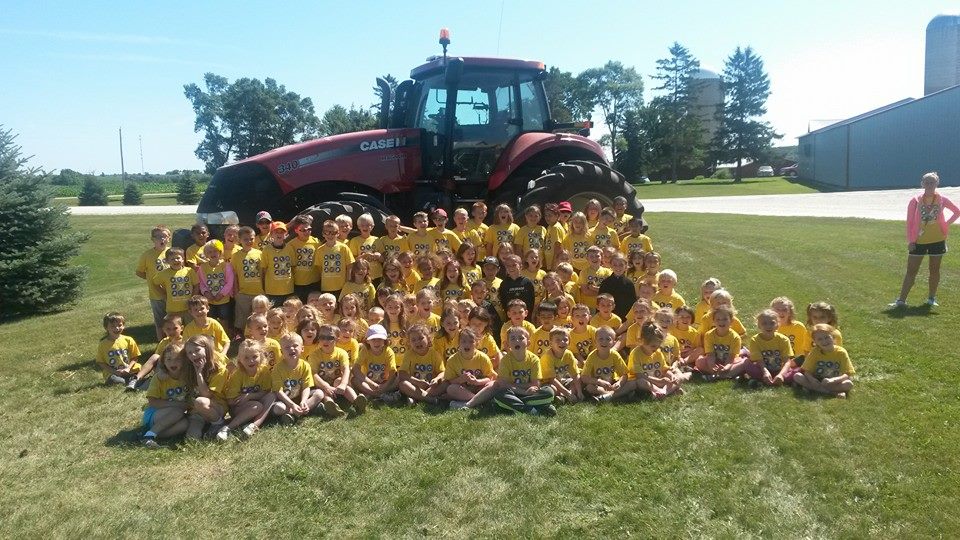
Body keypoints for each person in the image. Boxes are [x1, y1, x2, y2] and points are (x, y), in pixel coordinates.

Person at [890, 172, 959, 307]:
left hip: (937, 239)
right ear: (922, 184)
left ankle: (931, 299)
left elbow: (957, 211)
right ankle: (901, 301)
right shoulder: (915, 201)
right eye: (926, 182)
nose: (929, 185)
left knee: (934, 270)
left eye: (932, 182)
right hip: (918, 241)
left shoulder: (942, 199)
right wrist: (911, 241)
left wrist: (945, 224)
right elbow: (910, 222)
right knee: (911, 271)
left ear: (937, 183)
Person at [463, 326, 556, 415]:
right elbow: (503, 385)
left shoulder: (534, 359)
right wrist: (523, 392)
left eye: (521, 338)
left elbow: (535, 384)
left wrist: (525, 390)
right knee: (500, 395)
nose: (517, 341)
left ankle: (515, 406)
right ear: (507, 344)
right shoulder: (505, 360)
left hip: (530, 393)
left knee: (549, 391)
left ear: (528, 343)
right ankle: (534, 408)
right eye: (513, 338)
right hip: (512, 393)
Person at [221, 339, 276, 439]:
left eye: (255, 357)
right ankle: (227, 428)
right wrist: (244, 400)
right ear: (239, 359)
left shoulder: (264, 370)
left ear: (261, 356)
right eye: (246, 358)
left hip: (255, 400)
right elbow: (230, 401)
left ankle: (254, 425)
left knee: (272, 396)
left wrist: (250, 396)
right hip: (238, 408)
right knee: (257, 406)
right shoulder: (237, 374)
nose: (251, 361)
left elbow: (266, 391)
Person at [310, 324, 367, 414]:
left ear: (337, 339)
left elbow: (346, 369)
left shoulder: (341, 353)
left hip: (338, 385)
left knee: (339, 381)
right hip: (322, 383)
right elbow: (313, 374)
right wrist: (326, 386)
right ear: (318, 338)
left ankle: (357, 402)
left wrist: (343, 384)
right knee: (322, 391)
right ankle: (331, 406)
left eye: (330, 338)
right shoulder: (314, 355)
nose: (326, 340)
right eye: (322, 337)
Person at [141, 345, 190, 448]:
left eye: (177, 359)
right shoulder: (159, 378)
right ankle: (149, 436)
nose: (173, 363)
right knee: (177, 412)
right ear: (163, 361)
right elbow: (152, 402)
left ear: (184, 360)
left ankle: (148, 435)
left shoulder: (187, 376)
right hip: (154, 414)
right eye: (169, 359)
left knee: (186, 424)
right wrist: (179, 405)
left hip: (175, 415)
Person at [270, 333, 322, 424]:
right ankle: (304, 410)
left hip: (299, 398)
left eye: (295, 345)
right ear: (281, 351)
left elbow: (306, 386)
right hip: (284, 401)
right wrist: (292, 405)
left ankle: (294, 413)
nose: (291, 349)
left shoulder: (305, 365)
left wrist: (304, 401)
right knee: (278, 408)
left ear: (302, 349)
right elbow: (278, 391)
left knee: (319, 393)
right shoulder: (277, 368)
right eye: (287, 347)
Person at [793, 324, 854, 398]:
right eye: (819, 339)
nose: (824, 341)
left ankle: (812, 388)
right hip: (817, 380)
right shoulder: (815, 351)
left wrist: (833, 380)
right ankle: (833, 393)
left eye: (827, 337)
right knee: (797, 376)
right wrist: (812, 380)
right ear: (815, 342)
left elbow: (847, 373)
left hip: (833, 381)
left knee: (848, 384)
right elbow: (806, 371)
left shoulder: (841, 352)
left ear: (833, 337)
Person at [135, 225, 170, 340]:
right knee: (160, 320)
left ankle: (175, 341)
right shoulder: (147, 255)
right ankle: (161, 342)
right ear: (152, 239)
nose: (162, 239)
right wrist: (151, 279)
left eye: (165, 236)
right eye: (158, 237)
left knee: (173, 318)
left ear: (169, 238)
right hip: (156, 294)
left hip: (172, 292)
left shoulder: (172, 252)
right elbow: (139, 272)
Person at [398, 324, 447, 405]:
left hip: (431, 386)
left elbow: (443, 372)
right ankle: (429, 399)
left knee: (446, 383)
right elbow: (402, 374)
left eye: (421, 338)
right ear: (409, 342)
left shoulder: (434, 354)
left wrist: (436, 379)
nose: (417, 342)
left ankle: (416, 397)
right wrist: (417, 382)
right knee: (403, 384)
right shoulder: (409, 354)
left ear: (428, 338)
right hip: (416, 385)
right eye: (413, 340)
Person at [231, 226, 265, 339]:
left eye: (251, 238)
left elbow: (263, 272)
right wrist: (236, 291)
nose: (249, 241)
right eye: (245, 239)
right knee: (242, 315)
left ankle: (258, 335)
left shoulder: (259, 253)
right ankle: (240, 335)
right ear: (239, 240)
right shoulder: (235, 256)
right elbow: (235, 275)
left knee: (259, 315)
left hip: (258, 292)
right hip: (243, 292)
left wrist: (264, 289)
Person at [352, 324, 400, 403]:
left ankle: (370, 394)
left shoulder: (388, 351)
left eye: (379, 339)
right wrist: (372, 383)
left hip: (385, 382)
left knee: (399, 377)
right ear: (367, 341)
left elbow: (393, 371)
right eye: (373, 339)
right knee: (354, 380)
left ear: (384, 341)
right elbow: (355, 369)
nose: (376, 342)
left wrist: (385, 386)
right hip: (369, 382)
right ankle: (378, 395)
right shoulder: (365, 350)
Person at [96, 311, 142, 388]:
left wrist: (128, 368)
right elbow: (101, 362)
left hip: (129, 370)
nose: (117, 328)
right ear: (106, 328)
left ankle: (132, 380)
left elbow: (135, 357)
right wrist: (114, 372)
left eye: (120, 325)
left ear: (123, 326)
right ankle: (129, 382)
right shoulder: (103, 344)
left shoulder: (128, 340)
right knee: (115, 380)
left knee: (141, 371)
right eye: (113, 326)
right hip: (113, 373)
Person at [581, 326, 627, 401]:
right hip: (598, 385)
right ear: (595, 342)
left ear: (613, 342)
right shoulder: (592, 356)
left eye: (608, 339)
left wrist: (619, 383)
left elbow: (624, 375)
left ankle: (607, 396)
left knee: (631, 383)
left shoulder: (614, 354)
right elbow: (584, 378)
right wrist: (599, 382)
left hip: (612, 384)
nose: (604, 342)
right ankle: (612, 395)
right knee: (589, 387)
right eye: (600, 339)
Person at [197, 240, 235, 331]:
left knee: (224, 318)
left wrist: (221, 294)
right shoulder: (203, 267)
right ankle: (212, 335)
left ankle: (224, 335)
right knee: (211, 318)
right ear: (206, 254)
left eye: (215, 251)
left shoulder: (226, 266)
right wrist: (206, 293)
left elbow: (230, 282)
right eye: (209, 252)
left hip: (223, 299)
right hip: (210, 299)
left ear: (220, 252)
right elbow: (201, 282)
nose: (212, 254)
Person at [152, 248, 199, 319]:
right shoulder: (164, 273)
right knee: (174, 328)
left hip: (189, 308)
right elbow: (155, 283)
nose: (176, 260)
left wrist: (193, 297)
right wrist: (164, 293)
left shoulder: (189, 271)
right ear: (167, 261)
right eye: (172, 259)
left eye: (178, 258)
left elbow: (196, 285)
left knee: (189, 327)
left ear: (183, 259)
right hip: (173, 309)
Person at [539, 327, 582, 404]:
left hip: (562, 380)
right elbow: (552, 379)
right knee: (552, 389)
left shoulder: (568, 354)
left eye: (565, 339)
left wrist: (580, 392)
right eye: (557, 340)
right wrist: (568, 394)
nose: (562, 342)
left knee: (578, 380)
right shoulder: (547, 357)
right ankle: (566, 396)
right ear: (551, 343)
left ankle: (564, 398)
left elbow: (575, 374)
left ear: (569, 342)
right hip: (547, 382)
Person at [314, 219, 355, 298]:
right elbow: (319, 268)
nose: (330, 235)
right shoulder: (320, 250)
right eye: (327, 232)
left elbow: (349, 266)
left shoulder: (343, 248)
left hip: (341, 286)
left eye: (333, 233)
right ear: (323, 234)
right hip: (326, 286)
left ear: (338, 233)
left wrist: (347, 283)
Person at [287, 215, 321, 302]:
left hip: (315, 282)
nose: (306, 232)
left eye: (309, 229)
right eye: (302, 230)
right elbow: (291, 266)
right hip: (299, 284)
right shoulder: (291, 245)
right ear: (296, 230)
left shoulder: (316, 242)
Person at [261, 221, 295, 306]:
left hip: (288, 289)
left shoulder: (290, 248)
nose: (279, 234)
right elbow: (264, 269)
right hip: (272, 290)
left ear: (286, 234)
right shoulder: (266, 250)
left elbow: (293, 267)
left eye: (282, 232)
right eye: (276, 232)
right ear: (271, 234)